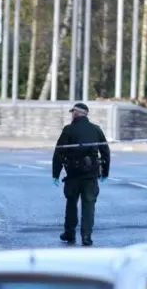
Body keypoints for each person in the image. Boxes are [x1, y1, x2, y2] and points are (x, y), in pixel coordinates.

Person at [52, 103, 110, 246]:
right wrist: (105, 172)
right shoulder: (96, 130)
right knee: (89, 204)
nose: (72, 115)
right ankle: (86, 236)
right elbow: (105, 152)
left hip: (73, 174)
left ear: (77, 113)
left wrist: (55, 173)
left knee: (71, 204)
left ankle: (69, 233)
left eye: (73, 113)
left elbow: (59, 152)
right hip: (91, 175)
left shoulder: (69, 129)